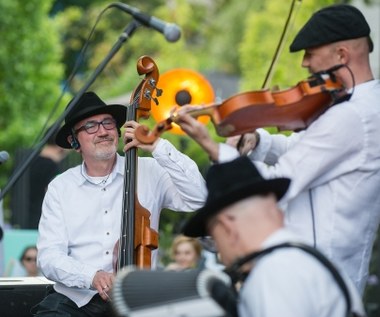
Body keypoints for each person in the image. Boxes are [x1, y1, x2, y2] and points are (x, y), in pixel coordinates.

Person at [175, 4, 380, 295]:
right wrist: (258, 141)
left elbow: (277, 180)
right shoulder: (351, 107)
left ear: (342, 56)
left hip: (313, 282)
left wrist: (212, 146)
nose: (304, 64)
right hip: (316, 274)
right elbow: (301, 148)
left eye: (310, 54)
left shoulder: (352, 117)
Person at [32, 91, 206, 316]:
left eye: (108, 123)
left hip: (137, 299)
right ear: (74, 142)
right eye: (91, 126)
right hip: (75, 301)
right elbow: (49, 257)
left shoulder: (150, 171)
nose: (103, 131)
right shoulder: (61, 188)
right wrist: (92, 276)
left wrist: (158, 146)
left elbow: (200, 197)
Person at [181, 156, 365, 317]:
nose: (219, 253)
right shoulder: (305, 259)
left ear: (227, 227)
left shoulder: (273, 272)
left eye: (214, 238)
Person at [11, 127, 68, 229]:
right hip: (41, 223)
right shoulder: (51, 166)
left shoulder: (25, 162)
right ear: (61, 144)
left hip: (19, 222)